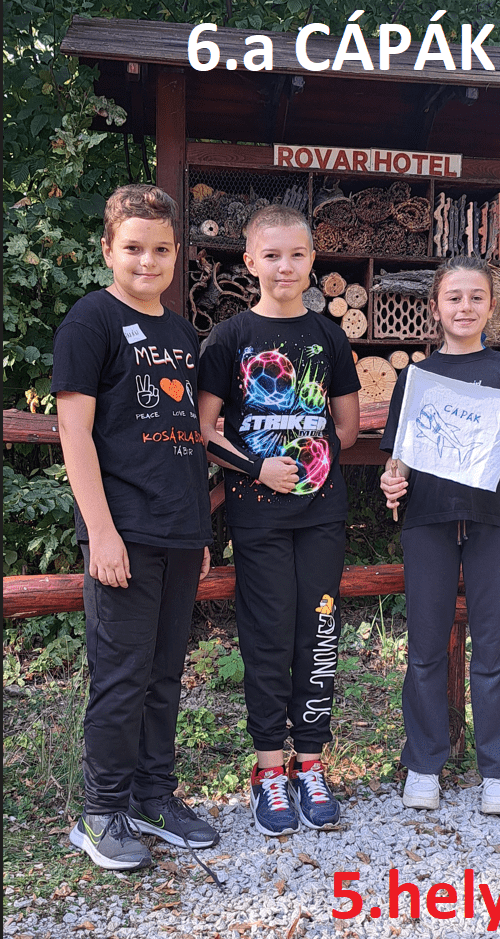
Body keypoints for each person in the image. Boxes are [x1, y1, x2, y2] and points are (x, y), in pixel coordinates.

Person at [52, 184, 218, 871]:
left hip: (179, 530)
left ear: (176, 254)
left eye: (160, 249)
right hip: (122, 531)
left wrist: (199, 532)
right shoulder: (90, 321)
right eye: (133, 248)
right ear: (107, 251)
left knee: (164, 673)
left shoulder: (180, 333)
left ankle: (152, 795)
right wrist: (101, 530)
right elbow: (75, 433)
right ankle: (101, 812)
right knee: (120, 676)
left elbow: (186, 438)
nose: (147, 261)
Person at [198, 205, 360, 836]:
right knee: (266, 636)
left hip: (321, 513)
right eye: (271, 255)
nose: (284, 266)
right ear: (250, 262)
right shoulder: (231, 337)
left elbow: (346, 426)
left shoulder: (329, 337)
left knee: (318, 633)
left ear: (313, 262)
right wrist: (258, 467)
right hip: (258, 515)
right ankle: (269, 770)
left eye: (296, 255)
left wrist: (312, 458)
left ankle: (310, 764)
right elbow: (204, 429)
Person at [379, 256, 500, 815]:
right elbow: (400, 458)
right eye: (454, 297)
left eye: (476, 297)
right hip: (428, 521)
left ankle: (499, 770)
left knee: (495, 648)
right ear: (435, 307)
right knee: (425, 649)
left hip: (493, 521)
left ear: (492, 307)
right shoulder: (416, 378)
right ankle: (423, 764)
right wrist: (390, 480)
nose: (465, 307)